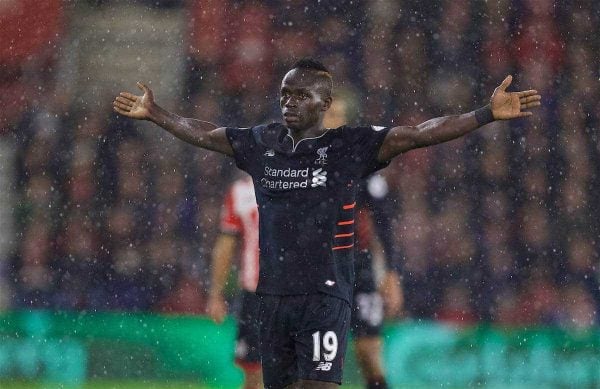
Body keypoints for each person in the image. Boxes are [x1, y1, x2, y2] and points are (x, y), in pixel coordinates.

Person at [113, 58, 541, 389]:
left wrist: (485, 113)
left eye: (300, 95)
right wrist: (157, 114)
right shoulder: (263, 143)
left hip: (325, 297)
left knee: (315, 384)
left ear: (325, 103)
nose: (289, 102)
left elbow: (421, 132)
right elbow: (206, 133)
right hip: (272, 299)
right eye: (284, 94)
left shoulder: (349, 146)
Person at [324, 96, 403, 389]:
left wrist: (392, 274)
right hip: (320, 269)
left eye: (341, 114)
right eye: (331, 113)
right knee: (319, 359)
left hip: (359, 268)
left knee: (368, 354)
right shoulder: (303, 163)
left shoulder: (362, 165)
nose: (336, 120)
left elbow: (384, 223)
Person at [207, 173, 263, 389]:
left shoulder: (302, 183)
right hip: (254, 293)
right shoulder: (241, 192)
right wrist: (215, 294)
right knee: (253, 375)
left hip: (295, 293)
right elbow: (225, 244)